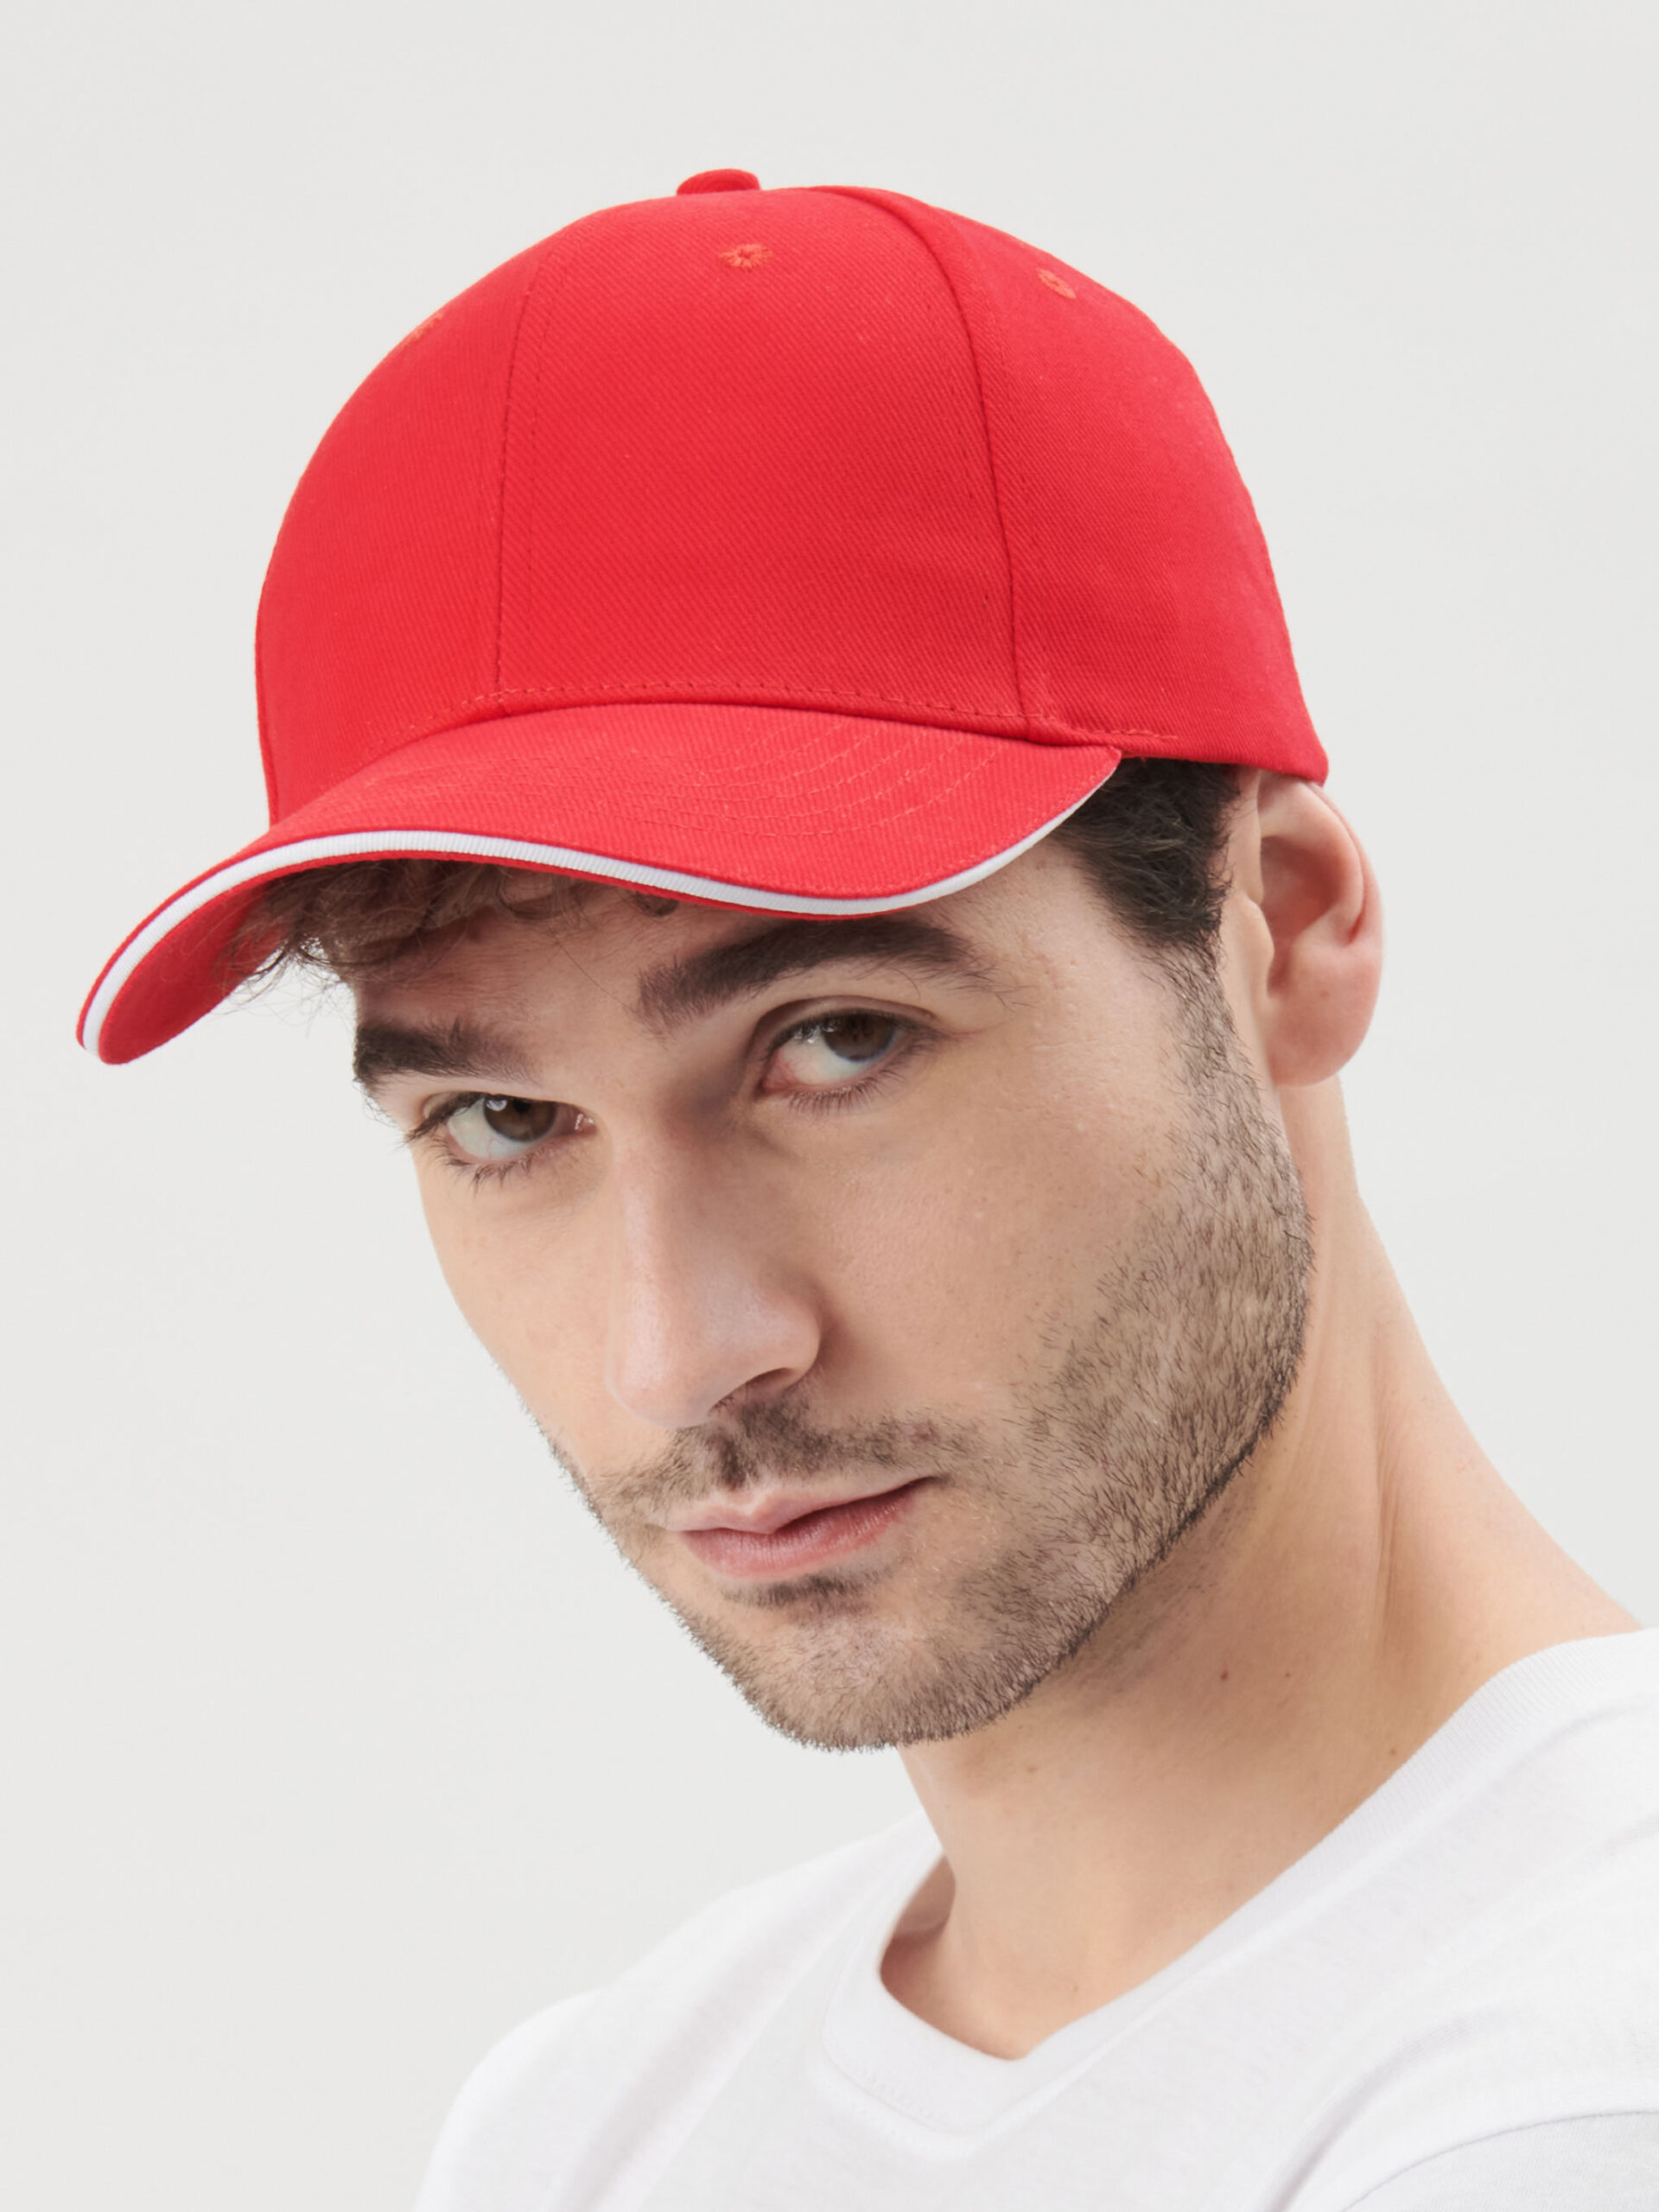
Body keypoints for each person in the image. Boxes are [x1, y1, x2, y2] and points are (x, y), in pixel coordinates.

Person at [79, 171, 1657, 2209]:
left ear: (1281, 922)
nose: (680, 1354)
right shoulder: (598, 2110)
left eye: (835, 1038)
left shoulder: (1573, 2088)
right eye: (503, 1117)